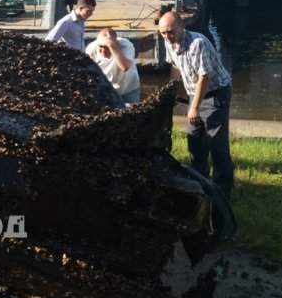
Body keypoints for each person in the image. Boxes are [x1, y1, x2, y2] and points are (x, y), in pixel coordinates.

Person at [158, 11, 234, 199]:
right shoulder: (169, 41)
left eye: (170, 31)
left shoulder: (197, 43)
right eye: (163, 33)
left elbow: (204, 77)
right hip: (195, 92)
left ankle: (223, 188)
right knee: (194, 137)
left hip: (215, 93)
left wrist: (193, 107)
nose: (167, 36)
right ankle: (200, 179)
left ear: (182, 26)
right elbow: (175, 66)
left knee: (216, 142)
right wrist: (172, 90)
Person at [85, 27, 140, 105]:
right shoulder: (91, 49)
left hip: (128, 89)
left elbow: (124, 67)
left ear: (116, 42)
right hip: (107, 91)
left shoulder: (126, 46)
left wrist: (111, 45)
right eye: (101, 46)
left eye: (107, 47)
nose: (103, 51)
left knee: (133, 114)